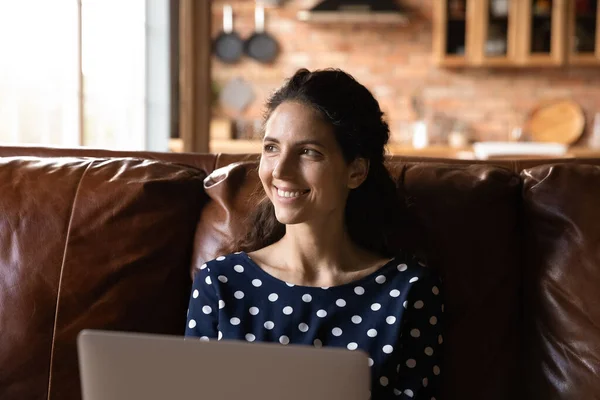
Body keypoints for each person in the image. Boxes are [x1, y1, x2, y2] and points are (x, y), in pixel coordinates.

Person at [185, 68, 443, 399]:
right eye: (271, 148)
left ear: (356, 171)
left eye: (308, 152)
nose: (280, 171)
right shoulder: (219, 283)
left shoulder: (409, 291)